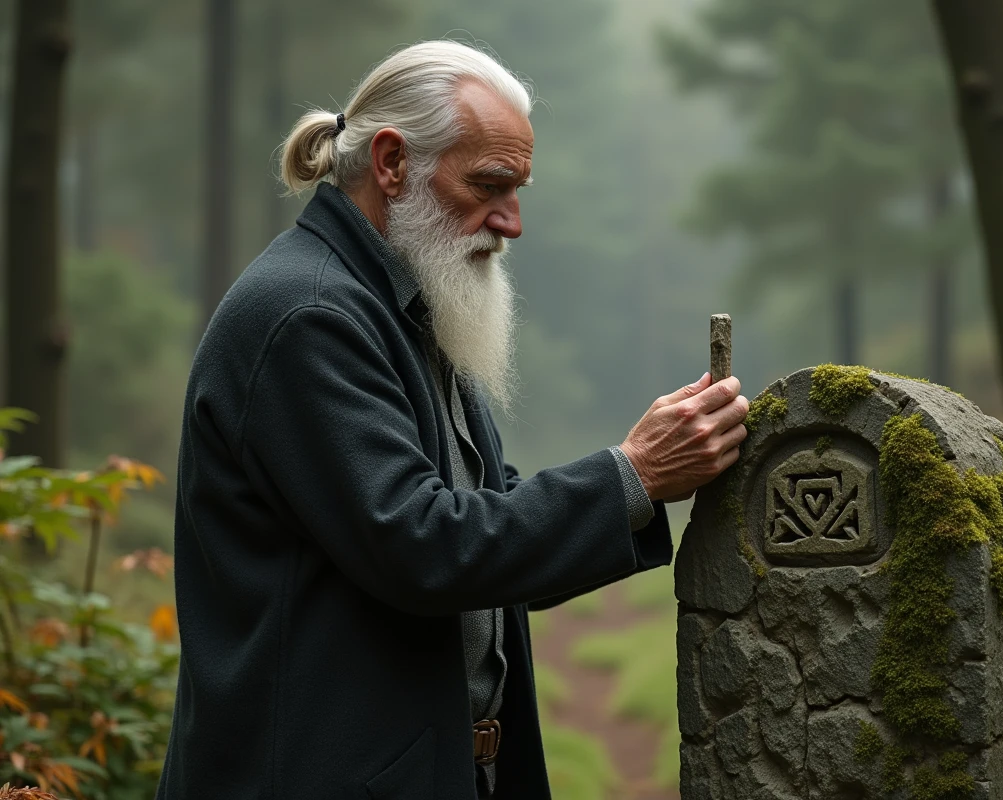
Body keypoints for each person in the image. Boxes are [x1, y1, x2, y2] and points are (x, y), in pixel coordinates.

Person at [156, 40, 748, 800]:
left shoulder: (401, 306)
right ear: (392, 163)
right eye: (489, 185)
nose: (512, 222)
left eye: (518, 189)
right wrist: (633, 474)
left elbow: (488, 522)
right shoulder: (309, 315)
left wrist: (641, 477)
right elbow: (425, 545)